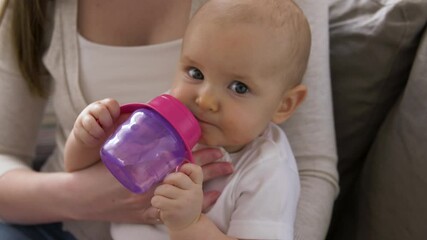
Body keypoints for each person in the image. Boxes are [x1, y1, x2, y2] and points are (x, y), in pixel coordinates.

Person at [0, 0, 339, 240]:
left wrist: (189, 225)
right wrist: (86, 138)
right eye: (194, 72)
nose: (204, 99)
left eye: (238, 87)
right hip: (49, 223)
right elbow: (80, 169)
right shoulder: (159, 128)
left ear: (285, 104)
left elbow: (313, 171)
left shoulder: (265, 169)